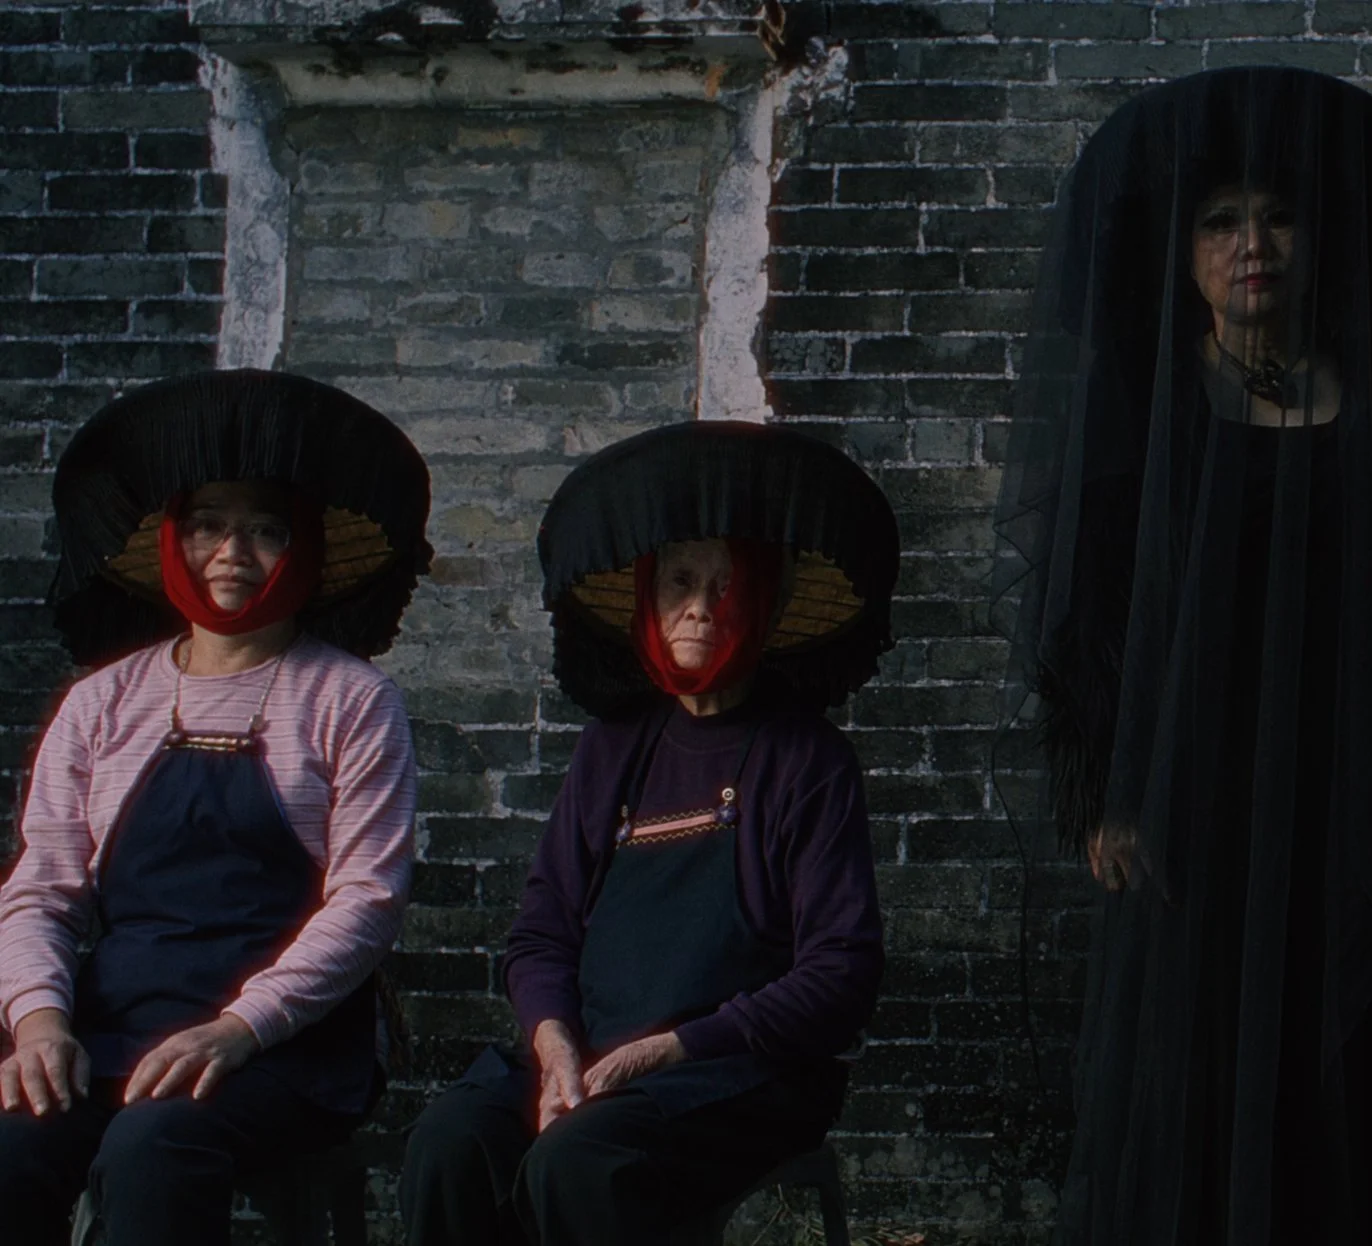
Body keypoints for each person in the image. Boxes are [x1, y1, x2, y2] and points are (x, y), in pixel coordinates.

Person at [991, 67, 1372, 1245]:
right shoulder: (1147, 409)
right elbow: (1085, 619)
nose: (1253, 244)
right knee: (1191, 1074)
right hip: (1189, 804)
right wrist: (1106, 793)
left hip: (1354, 800)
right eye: (1221, 219)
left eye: (1278, 215)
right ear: (1182, 248)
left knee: (1348, 1073)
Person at [398, 421, 897, 1246]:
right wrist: (553, 1043)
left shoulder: (808, 760)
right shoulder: (612, 751)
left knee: (577, 1163)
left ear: (764, 604)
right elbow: (541, 933)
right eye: (680, 581)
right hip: (590, 1055)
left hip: (736, 1072)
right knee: (451, 1145)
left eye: (729, 585)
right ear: (649, 602)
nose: (702, 605)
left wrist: (676, 1047)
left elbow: (841, 972)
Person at [0, 370, 433, 1245]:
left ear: (303, 550)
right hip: (114, 1027)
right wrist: (41, 1026)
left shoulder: (350, 700)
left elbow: (367, 900)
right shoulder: (100, 702)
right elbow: (42, 889)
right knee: (11, 1148)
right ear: (172, 542)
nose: (233, 552)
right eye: (208, 526)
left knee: (153, 1147)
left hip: (284, 1046)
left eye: (266, 530)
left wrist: (241, 1029)